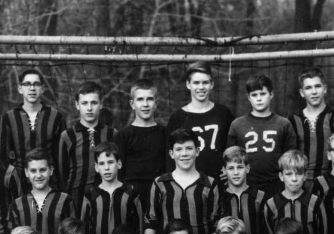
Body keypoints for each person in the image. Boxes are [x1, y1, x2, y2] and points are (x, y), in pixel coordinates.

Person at [145, 128, 220, 234]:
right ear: (171, 154)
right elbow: (151, 224)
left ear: (197, 151)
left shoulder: (210, 184)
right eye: (179, 149)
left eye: (189, 148)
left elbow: (215, 226)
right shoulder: (160, 183)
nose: (184, 154)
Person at [227, 74, 297, 195]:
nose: (259, 99)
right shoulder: (237, 124)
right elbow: (231, 159)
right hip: (247, 185)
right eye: (254, 95)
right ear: (248, 97)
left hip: (276, 185)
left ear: (271, 94)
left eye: (263, 94)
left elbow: (290, 160)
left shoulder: (284, 124)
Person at [166, 61, 235, 180]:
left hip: (219, 181)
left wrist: (231, 169)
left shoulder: (223, 113)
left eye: (205, 82)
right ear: (188, 84)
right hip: (188, 181)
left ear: (212, 84)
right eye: (196, 83)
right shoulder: (178, 117)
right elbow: (170, 156)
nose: (201, 87)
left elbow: (234, 148)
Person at [7, 148, 75, 234]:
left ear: (51, 170)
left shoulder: (65, 200)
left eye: (42, 170)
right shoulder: (17, 204)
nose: (38, 175)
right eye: (33, 171)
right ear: (26, 173)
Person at [0, 68, 66, 187]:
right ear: (20, 88)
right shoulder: (9, 118)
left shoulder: (56, 117)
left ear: (42, 89)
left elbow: (61, 156)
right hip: (19, 183)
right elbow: (4, 155)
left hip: (49, 182)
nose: (32, 88)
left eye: (36, 84)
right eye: (27, 84)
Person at [58, 80, 117, 215]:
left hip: (106, 193)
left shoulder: (112, 134)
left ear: (101, 104)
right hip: (76, 195)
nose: (89, 108)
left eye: (94, 103)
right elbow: (62, 172)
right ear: (77, 105)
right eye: (84, 103)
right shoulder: (67, 136)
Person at [84, 142, 143, 234]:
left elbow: (139, 228)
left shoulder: (131, 193)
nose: (106, 168)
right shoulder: (90, 195)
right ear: (96, 167)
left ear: (119, 164)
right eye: (102, 163)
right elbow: (84, 230)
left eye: (110, 162)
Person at [263, 149, 327, 234]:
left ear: (305, 176)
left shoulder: (316, 203)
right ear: (281, 176)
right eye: (288, 174)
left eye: (298, 174)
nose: (294, 179)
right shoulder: (271, 205)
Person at [113, 78, 167, 209]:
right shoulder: (122, 135)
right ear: (132, 104)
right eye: (140, 99)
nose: (145, 104)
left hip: (159, 193)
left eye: (149, 99)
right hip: (131, 195)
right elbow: (119, 173)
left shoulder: (165, 133)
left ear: (156, 103)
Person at [288, 66, 334, 181]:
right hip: (302, 181)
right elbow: (291, 155)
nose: (314, 92)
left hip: (331, 180)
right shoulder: (294, 119)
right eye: (308, 88)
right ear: (302, 92)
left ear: (324, 89)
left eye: (317, 86)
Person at [218, 146, 268, 234]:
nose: (236, 173)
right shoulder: (221, 198)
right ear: (224, 170)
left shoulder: (260, 197)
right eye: (231, 168)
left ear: (247, 168)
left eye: (240, 167)